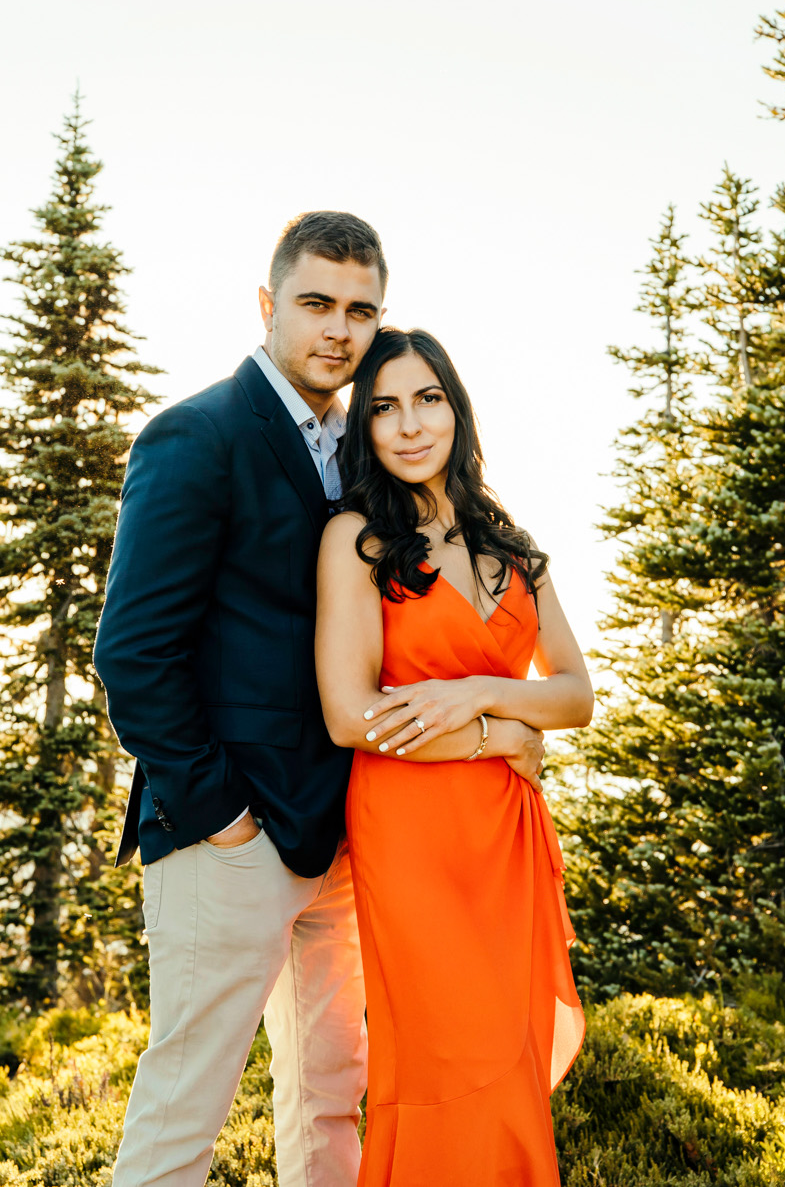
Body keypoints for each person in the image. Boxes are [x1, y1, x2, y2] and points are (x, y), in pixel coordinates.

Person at [96, 213, 545, 1186]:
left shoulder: (357, 451)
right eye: (313, 303)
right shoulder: (196, 435)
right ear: (267, 305)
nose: (337, 329)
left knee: (330, 1095)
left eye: (358, 309)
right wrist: (220, 817)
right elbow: (131, 653)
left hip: (342, 835)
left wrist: (499, 715)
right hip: (231, 836)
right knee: (187, 1107)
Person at [316, 327, 593, 1185]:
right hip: (410, 828)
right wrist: (500, 734)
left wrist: (479, 694)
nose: (409, 425)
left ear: (457, 409)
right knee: (441, 1050)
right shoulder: (357, 541)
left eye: (427, 399)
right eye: (385, 407)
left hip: (504, 834)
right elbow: (349, 715)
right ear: (365, 427)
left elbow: (575, 695)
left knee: (507, 1053)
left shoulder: (511, 546)